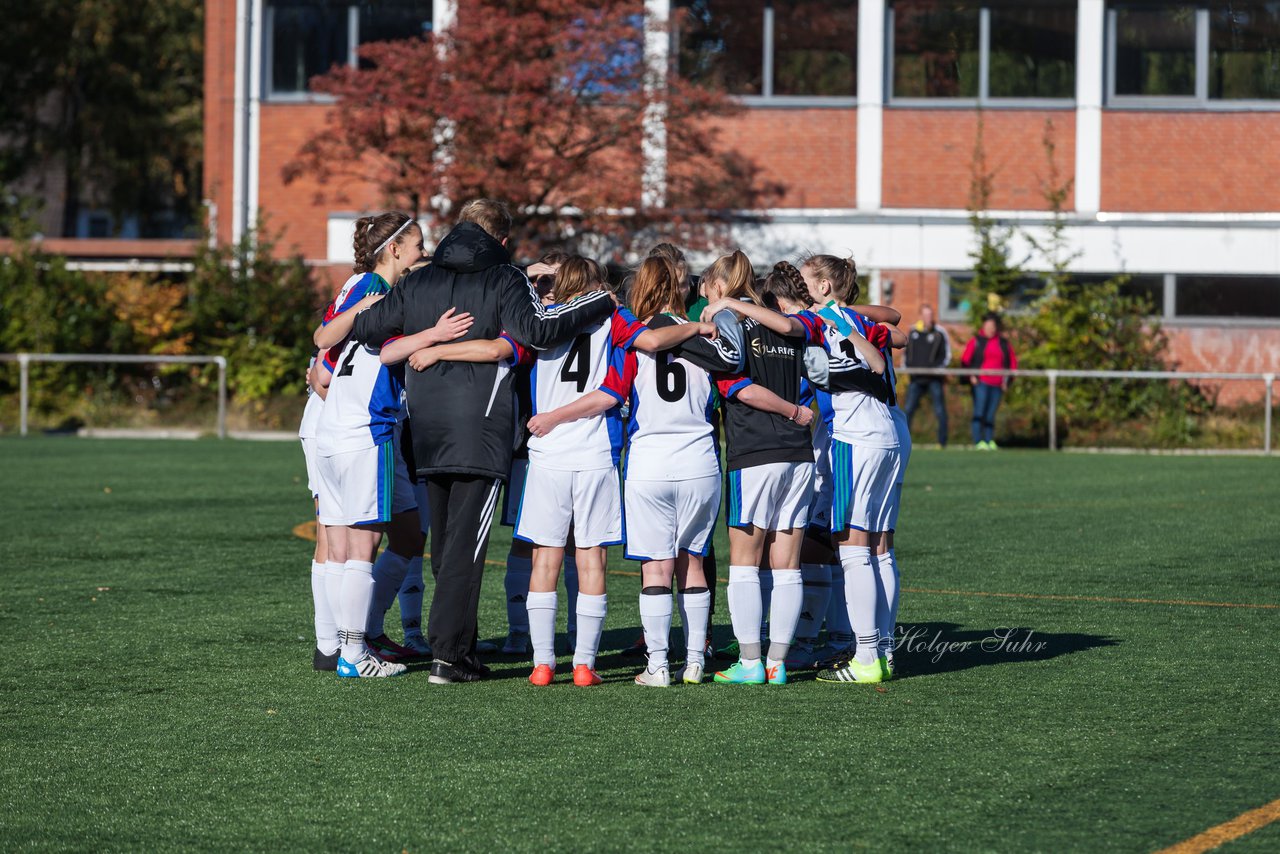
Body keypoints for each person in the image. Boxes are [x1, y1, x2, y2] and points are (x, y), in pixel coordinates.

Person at [351, 200, 616, 685]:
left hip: (426, 428)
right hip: (480, 428)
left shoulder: (416, 279)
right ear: (503, 240)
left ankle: (452, 644)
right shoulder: (505, 278)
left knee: (447, 544)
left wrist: (422, 337)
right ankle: (449, 657)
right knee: (464, 550)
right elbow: (537, 331)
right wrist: (600, 301)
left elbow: (367, 329)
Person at [312, 212, 472, 678]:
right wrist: (434, 336)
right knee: (363, 546)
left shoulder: (360, 289)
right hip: (367, 431)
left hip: (334, 431)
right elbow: (386, 351)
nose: (425, 250)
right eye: (419, 244)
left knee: (374, 540)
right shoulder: (378, 294)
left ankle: (346, 645)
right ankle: (352, 653)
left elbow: (322, 365)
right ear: (396, 249)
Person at [697, 254, 824, 687]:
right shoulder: (782, 322)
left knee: (745, 563)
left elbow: (741, 388)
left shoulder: (729, 325)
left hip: (755, 454)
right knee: (787, 565)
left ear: (718, 284)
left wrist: (789, 411)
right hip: (797, 456)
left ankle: (751, 661)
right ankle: (778, 662)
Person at [620, 256, 742, 686]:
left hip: (650, 459)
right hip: (698, 460)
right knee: (692, 562)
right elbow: (730, 367)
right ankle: (693, 661)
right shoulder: (703, 334)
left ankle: (657, 666)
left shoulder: (631, 334)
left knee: (656, 566)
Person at [961, 312, 1016, 450]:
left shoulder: (1003, 343)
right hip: (981, 383)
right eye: (988, 326)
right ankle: (978, 440)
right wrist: (971, 376)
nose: (991, 329)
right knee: (980, 411)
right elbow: (965, 360)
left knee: (991, 414)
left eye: (993, 326)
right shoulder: (977, 341)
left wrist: (1007, 382)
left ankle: (989, 439)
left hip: (997, 384)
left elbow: (1012, 364)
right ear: (983, 326)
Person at [902, 304, 951, 447]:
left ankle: (942, 442)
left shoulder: (939, 333)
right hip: (916, 379)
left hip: (934, 379)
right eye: (925, 315)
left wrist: (936, 369)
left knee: (940, 411)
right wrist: (909, 368)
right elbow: (906, 353)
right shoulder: (913, 332)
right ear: (921, 316)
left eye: (930, 315)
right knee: (908, 409)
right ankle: (905, 441)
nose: (928, 318)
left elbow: (946, 355)